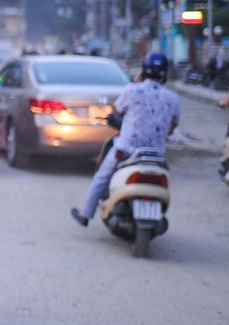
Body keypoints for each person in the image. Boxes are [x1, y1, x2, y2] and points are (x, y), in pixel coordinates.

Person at [70, 52, 180, 227]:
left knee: (101, 177)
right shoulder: (173, 98)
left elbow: (116, 111)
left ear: (143, 70)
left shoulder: (132, 89)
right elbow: (172, 126)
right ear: (165, 73)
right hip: (156, 156)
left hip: (127, 150)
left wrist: (137, 84)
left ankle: (85, 214)